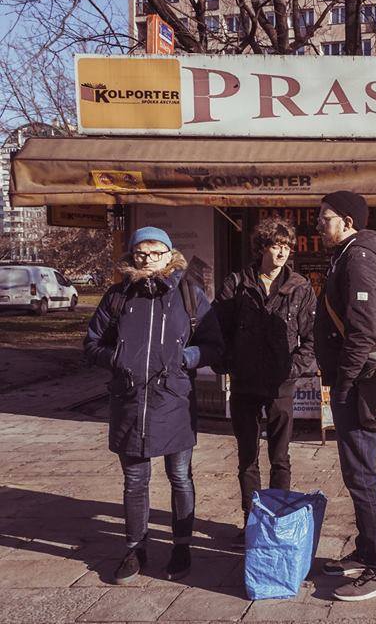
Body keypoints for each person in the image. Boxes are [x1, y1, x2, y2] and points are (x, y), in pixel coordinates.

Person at [84, 226, 222, 585]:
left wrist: (186, 358)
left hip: (174, 399)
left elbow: (214, 344)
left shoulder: (189, 294)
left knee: (180, 477)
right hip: (129, 401)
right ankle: (135, 549)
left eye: (155, 253)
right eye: (141, 253)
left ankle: (182, 546)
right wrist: (117, 359)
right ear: (132, 256)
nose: (148, 260)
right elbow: (92, 343)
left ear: (169, 255)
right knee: (134, 480)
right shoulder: (118, 296)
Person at [314, 190, 376, 601]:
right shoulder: (349, 255)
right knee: (356, 472)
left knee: (363, 475)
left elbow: (363, 331)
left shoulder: (359, 259)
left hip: (358, 382)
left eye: (325, 218)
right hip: (354, 379)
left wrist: (344, 381)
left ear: (347, 221)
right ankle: (367, 551)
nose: (318, 225)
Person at [213, 216, 317, 546]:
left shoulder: (299, 287)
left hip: (280, 385)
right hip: (244, 383)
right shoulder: (237, 284)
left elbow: (311, 338)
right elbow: (217, 330)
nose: (282, 252)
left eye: (287, 246)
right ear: (262, 248)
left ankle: (277, 523)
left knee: (280, 458)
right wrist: (229, 363)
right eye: (276, 245)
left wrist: (293, 368)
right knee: (247, 459)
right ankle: (252, 523)